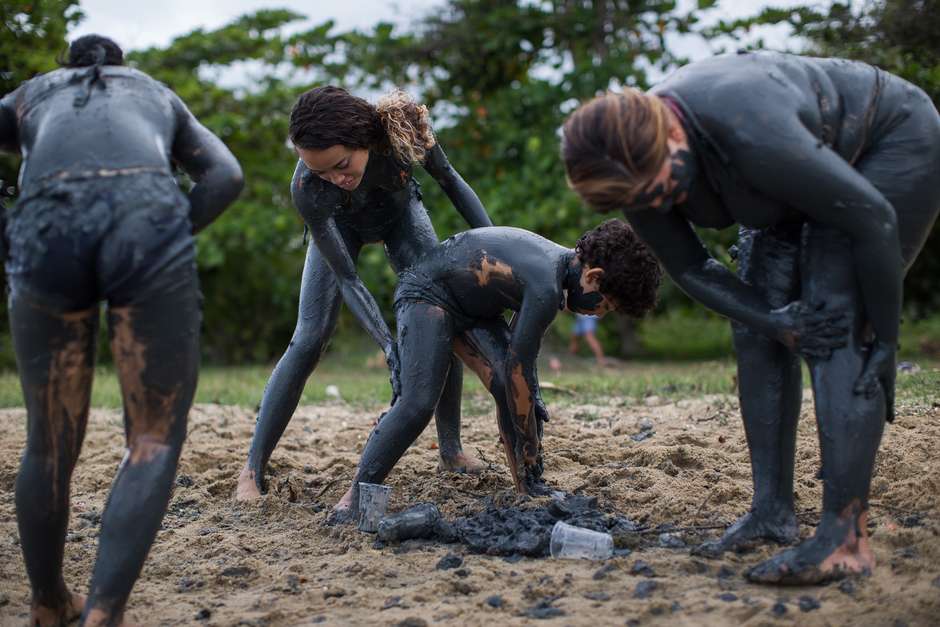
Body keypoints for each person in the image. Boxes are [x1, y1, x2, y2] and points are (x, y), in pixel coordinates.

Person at [562, 51, 940, 584]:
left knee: (833, 319)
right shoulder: (635, 174)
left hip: (884, 143)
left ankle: (844, 537)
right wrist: (774, 320)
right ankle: (772, 512)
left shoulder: (751, 131)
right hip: (781, 192)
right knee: (756, 322)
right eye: (643, 201)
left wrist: (885, 337)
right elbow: (692, 267)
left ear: (672, 133)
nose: (662, 203)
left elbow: (872, 218)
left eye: (665, 186)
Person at [0, 35, 243, 625]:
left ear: (67, 67)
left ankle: (48, 602)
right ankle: (105, 612)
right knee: (153, 439)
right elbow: (225, 176)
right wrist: (167, 238)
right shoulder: (155, 94)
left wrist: (11, 236)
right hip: (147, 218)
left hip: (47, 226)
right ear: (121, 67)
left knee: (48, 441)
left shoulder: (31, 96)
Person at [235, 86, 494, 500]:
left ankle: (451, 449)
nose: (336, 179)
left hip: (398, 213)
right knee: (308, 338)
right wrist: (388, 346)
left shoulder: (401, 133)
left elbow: (451, 182)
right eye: (321, 173)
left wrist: (495, 244)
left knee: (441, 317)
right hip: (340, 227)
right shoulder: (310, 189)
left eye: (341, 165)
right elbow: (349, 278)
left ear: (364, 139)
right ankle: (251, 470)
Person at [331, 220, 662, 521]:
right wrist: (530, 441)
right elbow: (520, 370)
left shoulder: (556, 277)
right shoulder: (546, 285)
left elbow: (519, 365)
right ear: (593, 278)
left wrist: (529, 400)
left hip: (473, 310)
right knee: (417, 404)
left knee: (514, 390)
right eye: (604, 305)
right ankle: (353, 497)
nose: (599, 314)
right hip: (426, 295)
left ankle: (526, 488)